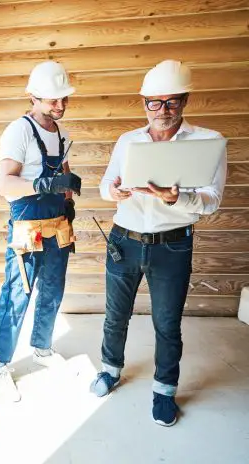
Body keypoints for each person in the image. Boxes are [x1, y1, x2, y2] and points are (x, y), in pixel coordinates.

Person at [90, 60, 227, 426]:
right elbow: (105, 185)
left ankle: (164, 390)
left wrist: (174, 199)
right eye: (155, 102)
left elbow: (212, 200)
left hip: (172, 246)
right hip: (124, 240)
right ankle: (109, 370)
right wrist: (113, 191)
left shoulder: (207, 142)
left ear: (185, 100)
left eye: (172, 102)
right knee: (115, 315)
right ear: (144, 102)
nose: (163, 111)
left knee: (167, 323)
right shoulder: (127, 140)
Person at [0, 61, 82, 402]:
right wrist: (39, 183)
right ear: (34, 97)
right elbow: (4, 184)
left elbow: (66, 176)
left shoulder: (63, 135)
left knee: (52, 292)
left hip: (58, 226)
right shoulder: (19, 131)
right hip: (27, 228)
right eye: (52, 100)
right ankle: (1, 364)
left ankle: (42, 348)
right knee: (17, 295)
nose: (59, 106)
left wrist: (68, 199)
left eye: (64, 100)